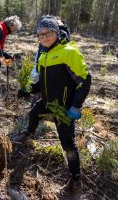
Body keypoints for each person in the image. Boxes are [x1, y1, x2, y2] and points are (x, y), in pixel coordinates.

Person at [16, 16, 91, 199]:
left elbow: (85, 79)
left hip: (63, 108)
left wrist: (76, 106)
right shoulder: (44, 55)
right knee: (34, 113)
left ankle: (75, 180)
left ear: (56, 33)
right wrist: (28, 90)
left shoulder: (69, 52)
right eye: (40, 35)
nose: (43, 37)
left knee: (68, 144)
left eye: (47, 33)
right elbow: (42, 84)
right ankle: (28, 135)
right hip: (48, 102)